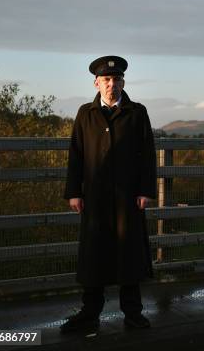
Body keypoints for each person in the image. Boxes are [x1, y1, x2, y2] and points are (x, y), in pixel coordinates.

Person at [61, 55, 157, 333]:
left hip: (128, 197)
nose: (111, 84)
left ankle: (133, 314)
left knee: (130, 254)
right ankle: (89, 314)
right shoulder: (85, 114)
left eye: (116, 79)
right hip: (94, 197)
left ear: (123, 82)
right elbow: (76, 155)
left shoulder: (137, 112)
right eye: (106, 80)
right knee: (94, 255)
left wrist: (145, 190)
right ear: (96, 83)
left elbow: (148, 154)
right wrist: (73, 192)